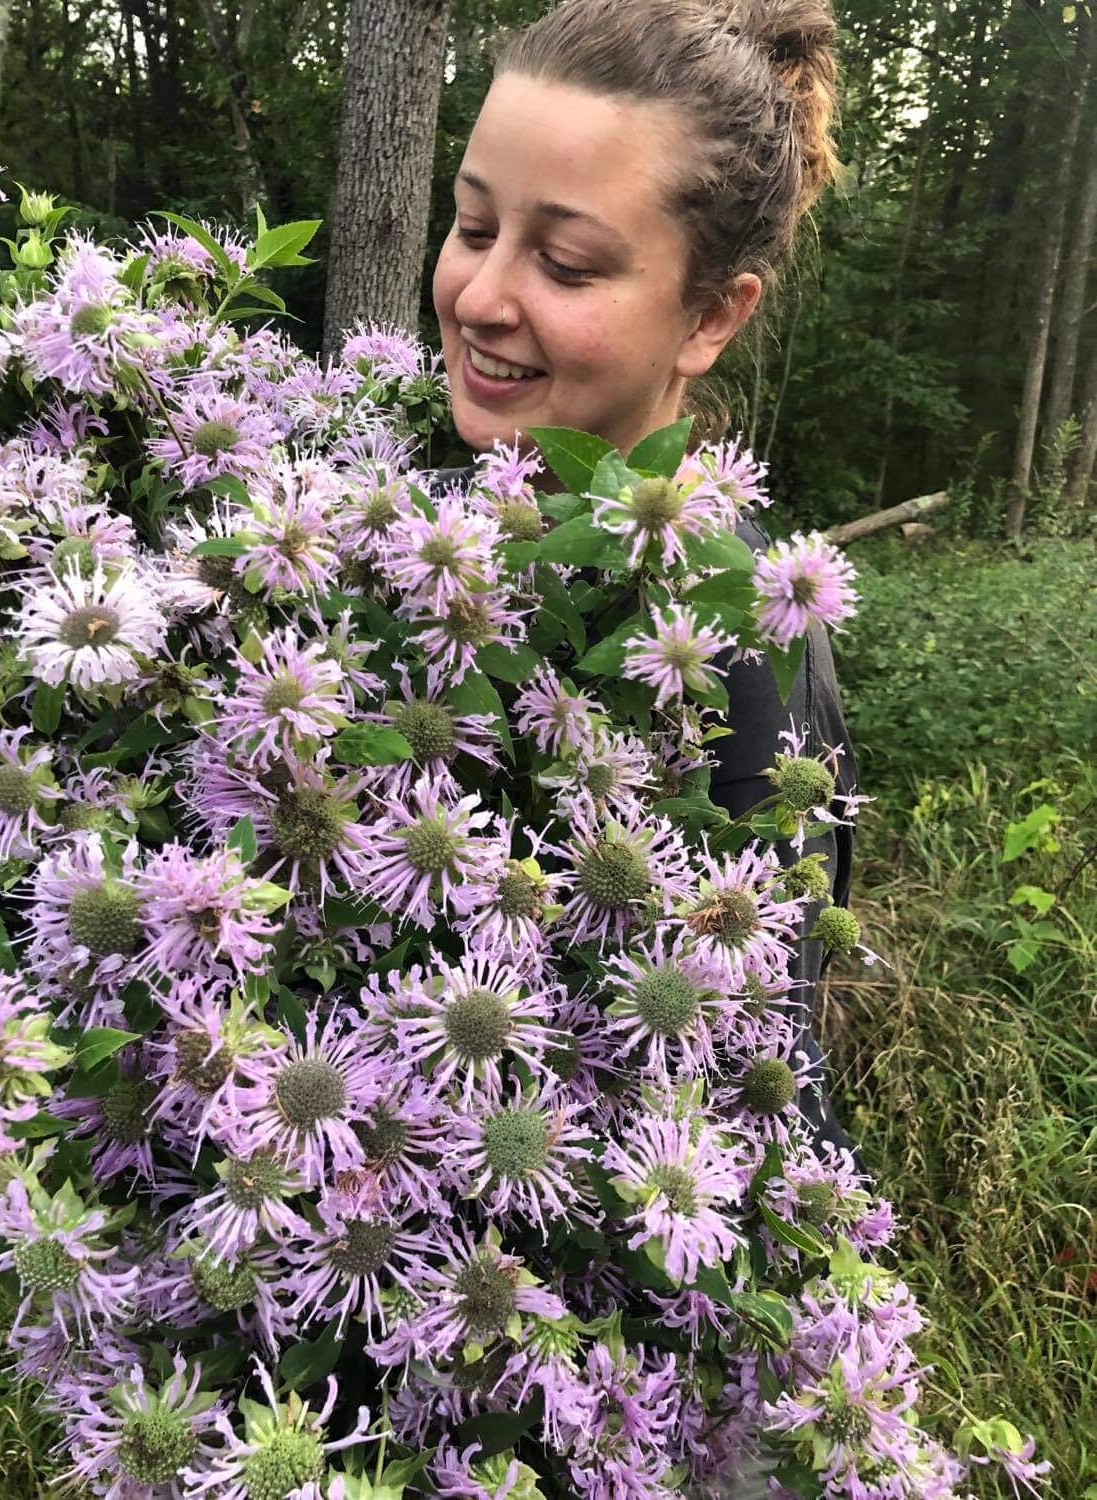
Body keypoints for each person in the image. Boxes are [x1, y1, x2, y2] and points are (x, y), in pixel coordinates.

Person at [426, 0, 859, 1153]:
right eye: (473, 227)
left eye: (564, 262)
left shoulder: (739, 651)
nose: (481, 299)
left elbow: (758, 1084)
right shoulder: (402, 504)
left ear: (710, 316)